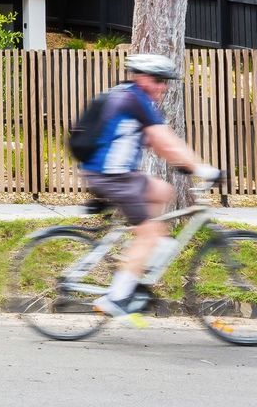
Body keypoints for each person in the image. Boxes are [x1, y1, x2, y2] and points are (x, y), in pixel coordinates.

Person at [81, 53, 219, 319]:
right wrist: (203, 169)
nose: (162, 86)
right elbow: (165, 140)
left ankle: (137, 257)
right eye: (157, 80)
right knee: (150, 232)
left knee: (163, 192)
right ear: (141, 76)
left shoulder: (131, 97)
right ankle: (118, 298)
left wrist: (183, 163)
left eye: (164, 81)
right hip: (113, 176)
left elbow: (158, 144)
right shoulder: (135, 100)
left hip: (116, 175)